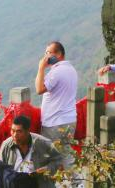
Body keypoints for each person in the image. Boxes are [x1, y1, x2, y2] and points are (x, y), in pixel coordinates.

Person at [34, 41, 78, 176]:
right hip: (69, 120)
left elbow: (39, 89)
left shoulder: (57, 71)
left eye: (48, 53)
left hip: (55, 122)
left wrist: (41, 68)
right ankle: (78, 183)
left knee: (50, 158)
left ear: (58, 54)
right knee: (66, 153)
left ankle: (73, 184)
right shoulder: (71, 69)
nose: (45, 56)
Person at [0, 114, 59, 188]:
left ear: (27, 131)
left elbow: (59, 160)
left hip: (37, 183)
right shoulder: (6, 145)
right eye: (13, 131)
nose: (15, 135)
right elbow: (1, 168)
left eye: (19, 131)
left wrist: (48, 168)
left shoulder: (43, 143)